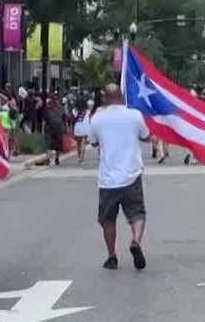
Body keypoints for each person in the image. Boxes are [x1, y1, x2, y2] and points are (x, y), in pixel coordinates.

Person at [88, 84, 150, 271]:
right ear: (122, 96)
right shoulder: (134, 115)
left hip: (108, 178)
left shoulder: (97, 118)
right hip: (131, 174)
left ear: (105, 98)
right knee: (137, 214)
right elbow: (146, 137)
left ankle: (112, 256)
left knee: (108, 220)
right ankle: (136, 241)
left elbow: (94, 142)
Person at [41, 97, 65, 166]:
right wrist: (64, 129)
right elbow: (64, 120)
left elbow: (44, 122)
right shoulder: (60, 110)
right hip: (59, 129)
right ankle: (57, 159)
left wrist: (42, 131)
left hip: (49, 129)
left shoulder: (47, 110)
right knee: (57, 145)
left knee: (48, 144)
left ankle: (48, 159)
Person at [73, 98, 94, 164]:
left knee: (78, 143)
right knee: (83, 143)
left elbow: (73, 117)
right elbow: (90, 119)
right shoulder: (88, 111)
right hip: (85, 127)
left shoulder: (74, 110)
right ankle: (81, 157)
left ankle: (79, 156)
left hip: (77, 127)